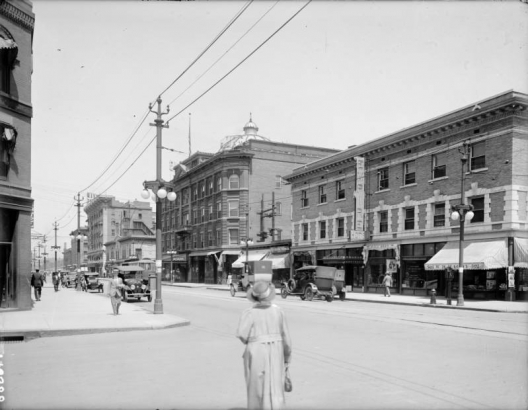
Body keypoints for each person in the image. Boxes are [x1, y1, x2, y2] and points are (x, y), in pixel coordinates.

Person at [236, 281, 292, 410]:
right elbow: (287, 340)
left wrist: (253, 339)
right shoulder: (279, 312)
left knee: (256, 387)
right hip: (276, 351)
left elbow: (242, 334)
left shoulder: (249, 312)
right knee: (275, 384)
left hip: (255, 352)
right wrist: (287, 358)